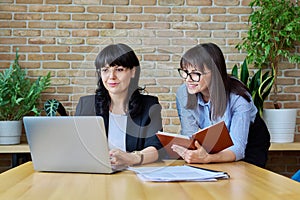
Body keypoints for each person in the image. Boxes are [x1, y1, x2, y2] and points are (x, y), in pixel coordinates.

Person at [172, 43, 270, 167]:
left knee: (242, 177)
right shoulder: (183, 93)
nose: (188, 79)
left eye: (195, 73)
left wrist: (208, 158)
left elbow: (238, 149)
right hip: (217, 140)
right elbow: (189, 135)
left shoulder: (238, 96)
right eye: (185, 72)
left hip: (250, 141)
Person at [75, 43, 163, 167]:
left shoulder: (149, 106)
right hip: (96, 174)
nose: (112, 76)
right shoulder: (86, 105)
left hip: (133, 176)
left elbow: (156, 148)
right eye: (105, 70)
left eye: (119, 69)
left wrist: (132, 158)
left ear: (133, 71)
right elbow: (77, 146)